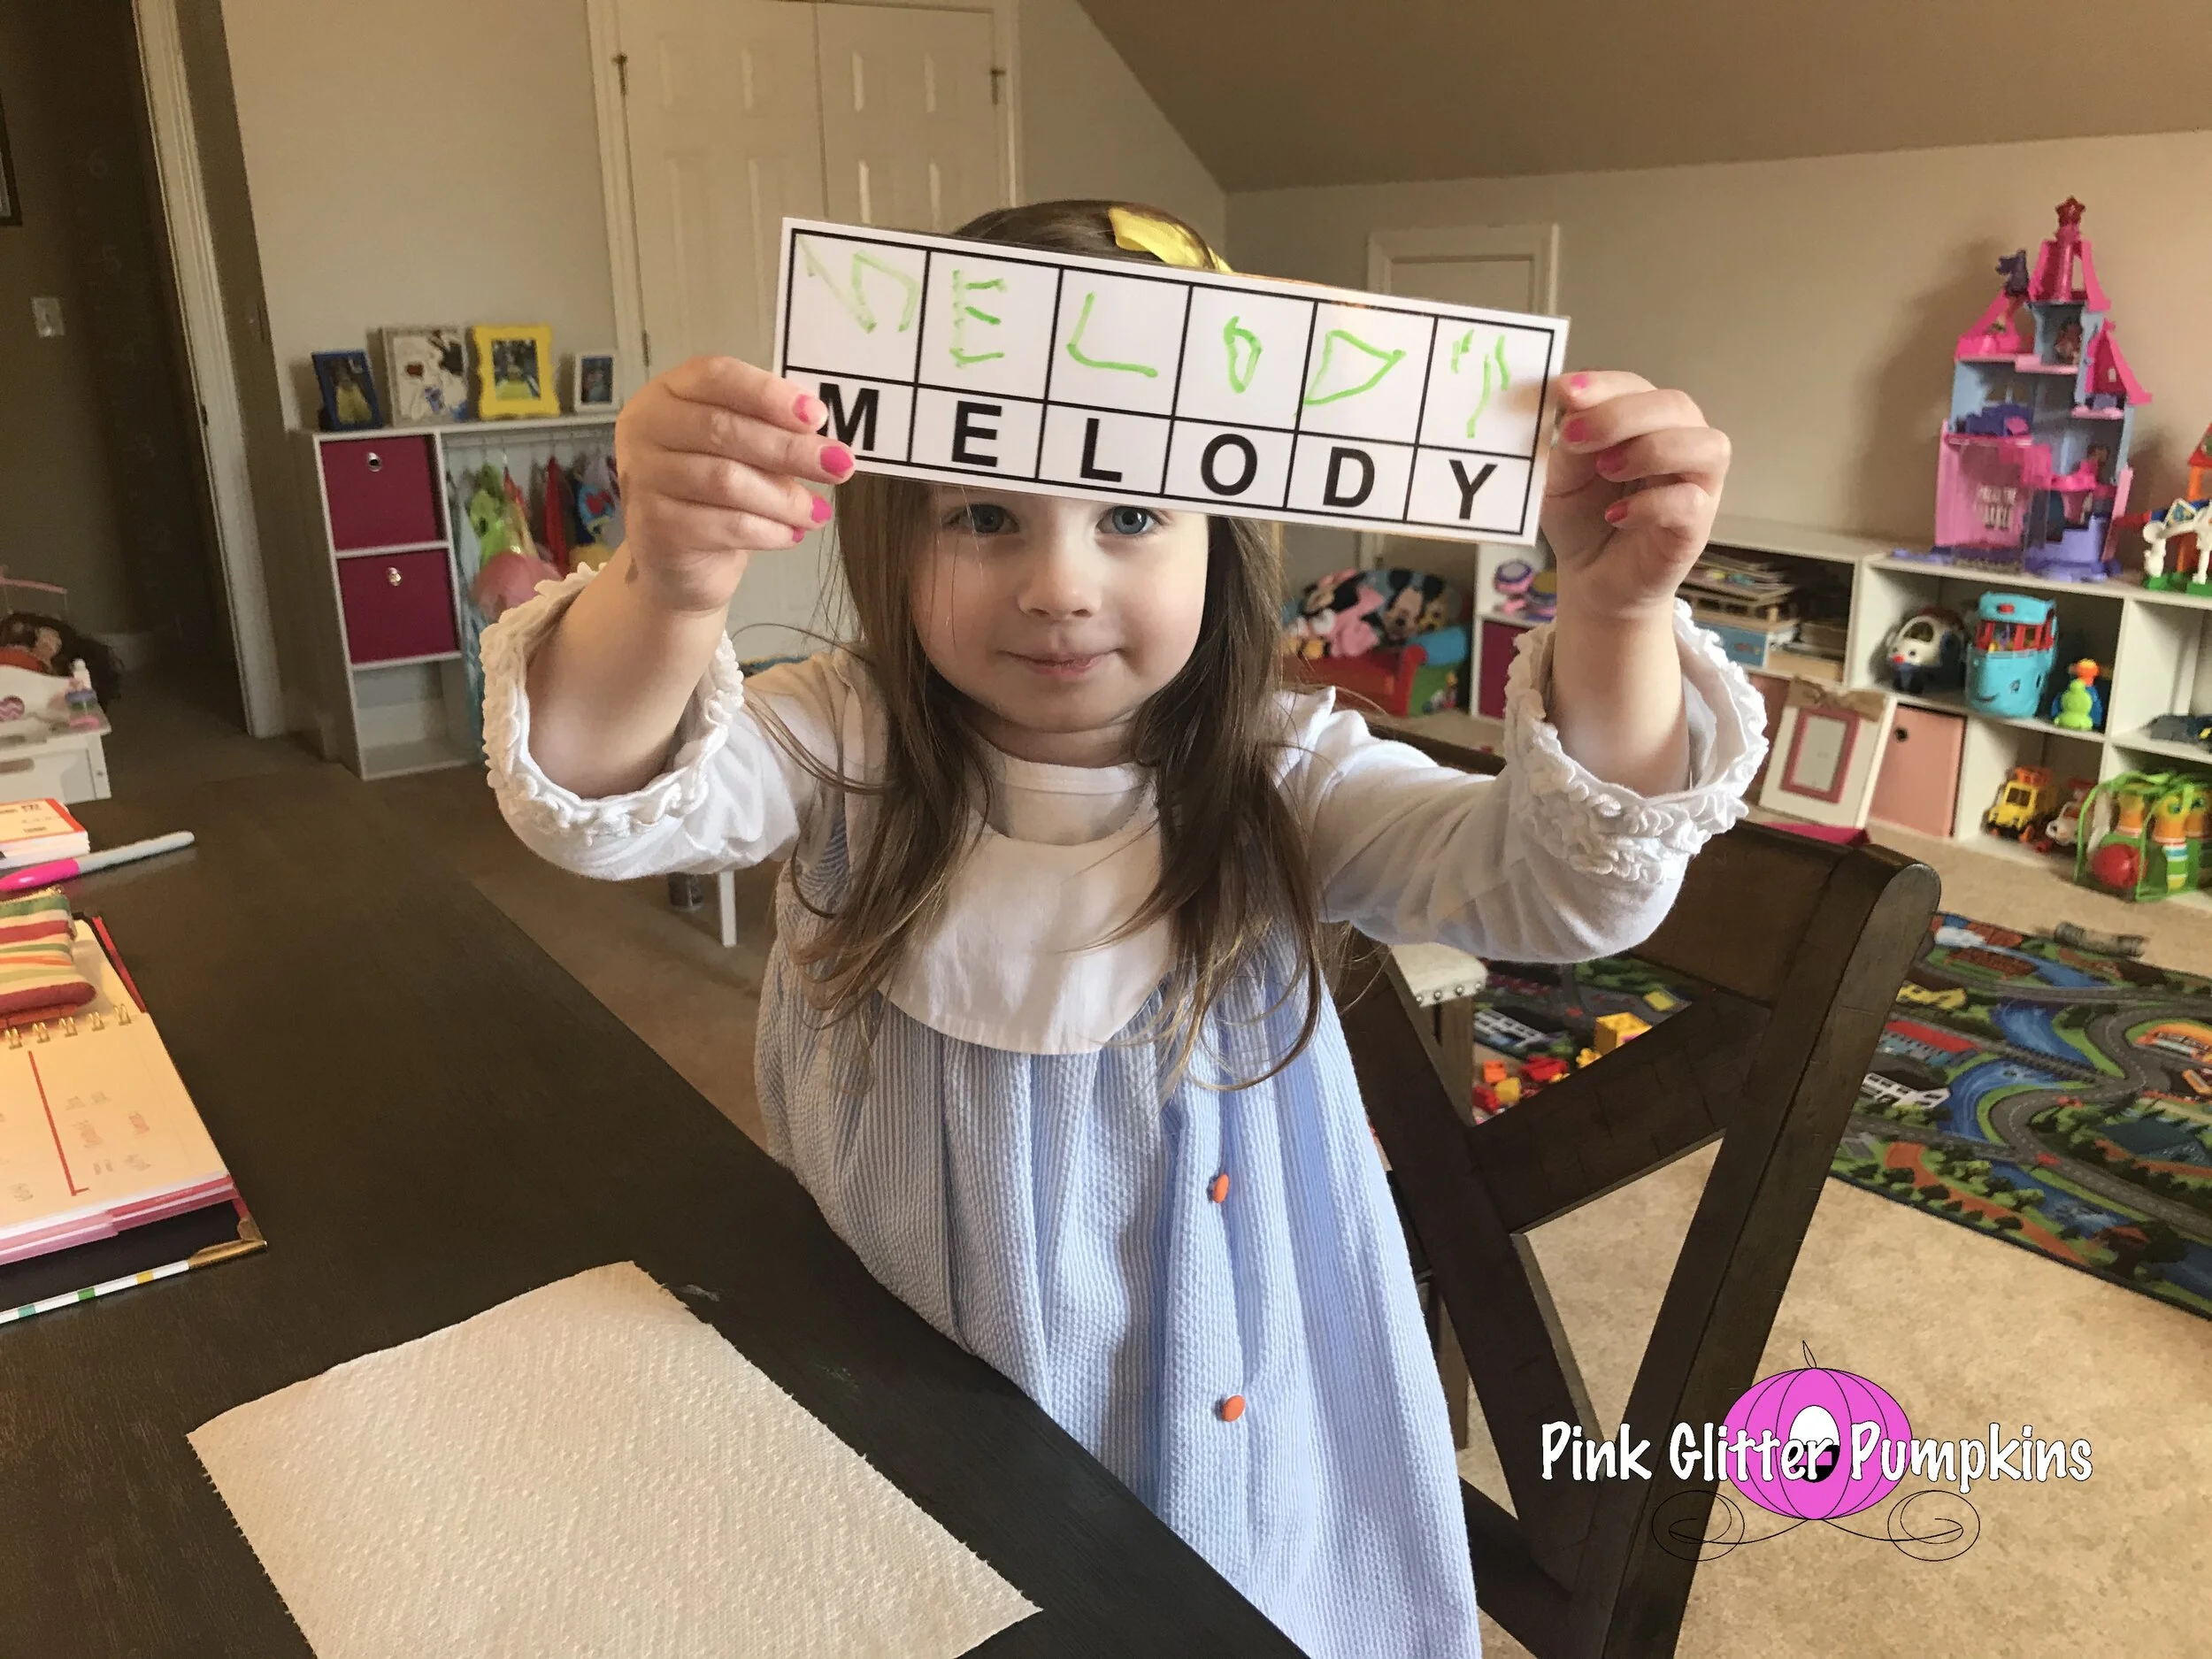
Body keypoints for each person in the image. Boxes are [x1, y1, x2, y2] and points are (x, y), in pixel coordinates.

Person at [481, 200, 1765, 1659]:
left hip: (1227, 1415)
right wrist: (664, 584)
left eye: (1134, 516)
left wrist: (1617, 619)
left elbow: (1570, 886)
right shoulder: (840, 742)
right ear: (896, 526)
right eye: (984, 516)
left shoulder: (1284, 772)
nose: (1059, 585)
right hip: (905, 1388)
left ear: (1223, 535)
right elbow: (591, 803)